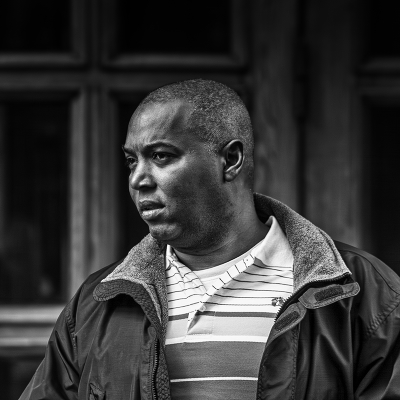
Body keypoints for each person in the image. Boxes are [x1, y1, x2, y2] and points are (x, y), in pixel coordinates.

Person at [21, 79, 400, 400]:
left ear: (230, 160)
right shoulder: (98, 302)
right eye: (132, 161)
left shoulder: (364, 295)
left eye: (161, 156)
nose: (138, 179)